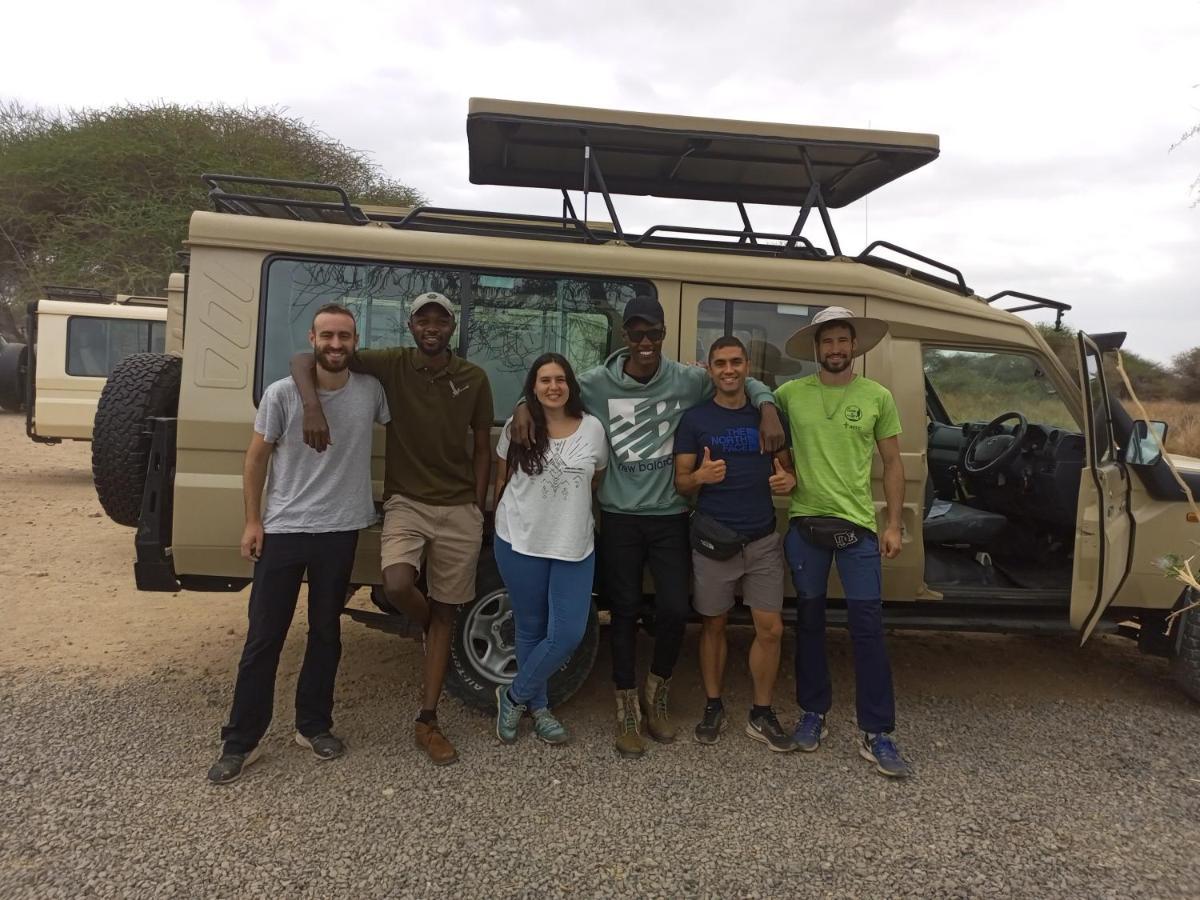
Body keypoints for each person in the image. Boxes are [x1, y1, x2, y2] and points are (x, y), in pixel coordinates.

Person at [512, 294, 786, 758]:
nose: (644, 342)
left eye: (653, 334)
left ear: (662, 336)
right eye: (636, 333)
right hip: (619, 516)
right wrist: (522, 405)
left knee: (678, 609)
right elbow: (551, 389)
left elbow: (739, 379)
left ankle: (656, 692)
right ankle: (625, 705)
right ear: (624, 336)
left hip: (670, 516)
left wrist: (767, 406)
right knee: (622, 611)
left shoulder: (687, 379)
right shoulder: (597, 382)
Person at [293, 291, 493, 766]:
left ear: (451, 328)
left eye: (440, 321)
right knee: (400, 583)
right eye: (422, 320)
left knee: (449, 606)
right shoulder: (393, 364)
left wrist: (479, 504)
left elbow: (483, 445)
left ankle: (428, 718)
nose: (431, 327)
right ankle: (429, 626)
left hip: (460, 507)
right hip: (406, 501)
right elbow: (307, 358)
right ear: (411, 327)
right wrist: (311, 407)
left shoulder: (474, 378)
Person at [208, 304, 390, 785]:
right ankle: (240, 741)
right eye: (327, 335)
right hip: (285, 528)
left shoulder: (371, 392)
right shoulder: (282, 394)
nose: (336, 344)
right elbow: (255, 459)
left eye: (344, 336)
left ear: (356, 340)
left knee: (326, 632)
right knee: (264, 637)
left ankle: (313, 726)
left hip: (341, 529)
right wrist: (253, 521)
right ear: (312, 337)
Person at [775, 306, 912, 778]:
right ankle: (813, 715)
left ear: (854, 346)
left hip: (858, 528)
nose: (835, 349)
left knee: (868, 629)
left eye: (842, 341)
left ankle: (878, 733)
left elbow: (893, 463)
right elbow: (758, 413)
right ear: (816, 348)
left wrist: (893, 524)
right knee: (809, 624)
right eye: (826, 341)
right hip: (805, 525)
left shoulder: (877, 396)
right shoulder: (790, 394)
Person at [674, 336, 797, 752]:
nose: (728, 370)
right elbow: (680, 482)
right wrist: (699, 480)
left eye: (736, 362)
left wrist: (789, 480)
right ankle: (713, 704)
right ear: (709, 370)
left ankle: (761, 712)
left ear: (748, 367)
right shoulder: (694, 420)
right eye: (720, 363)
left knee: (771, 629)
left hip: (762, 538)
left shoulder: (769, 417)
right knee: (714, 624)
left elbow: (789, 468)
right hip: (714, 540)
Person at [492, 353, 608, 745]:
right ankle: (539, 708)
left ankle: (512, 695)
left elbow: (596, 478)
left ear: (571, 385)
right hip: (520, 538)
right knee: (529, 627)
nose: (553, 386)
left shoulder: (592, 428)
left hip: (573, 542)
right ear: (533, 386)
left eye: (560, 379)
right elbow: (502, 479)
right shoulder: (518, 426)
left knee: (568, 634)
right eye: (544, 380)